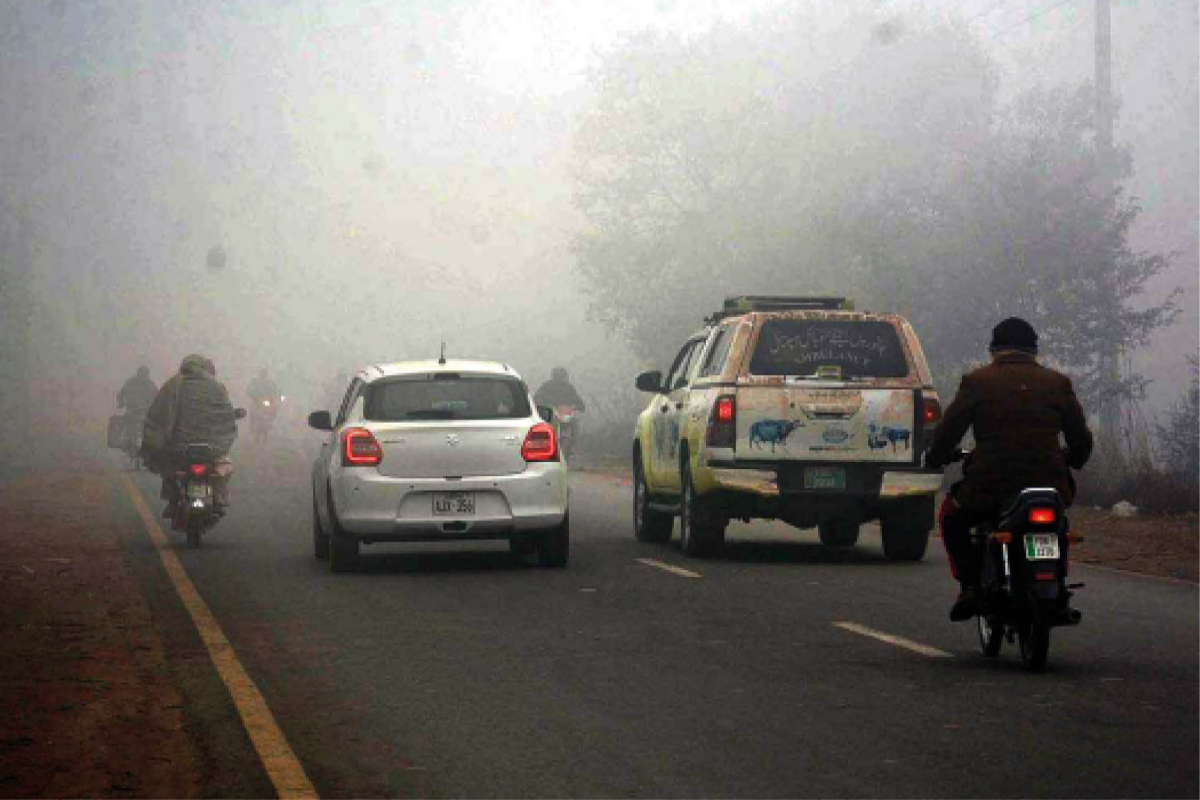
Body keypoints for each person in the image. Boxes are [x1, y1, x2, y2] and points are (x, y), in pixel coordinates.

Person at [926, 317, 1093, 621]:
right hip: (1049, 483)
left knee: (952, 516)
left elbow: (948, 431)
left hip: (990, 484)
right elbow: (1081, 439)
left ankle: (970, 586)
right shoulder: (1058, 383)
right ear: (1034, 349)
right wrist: (1073, 458)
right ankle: (1056, 583)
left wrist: (936, 457)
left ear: (994, 349)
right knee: (1058, 525)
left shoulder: (977, 382)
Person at [142, 355, 239, 516]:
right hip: (213, 448)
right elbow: (226, 417)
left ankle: (173, 500)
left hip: (181, 448)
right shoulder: (217, 387)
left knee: (169, 469)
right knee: (224, 467)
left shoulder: (173, 385)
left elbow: (159, 416)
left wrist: (154, 445)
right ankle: (220, 497)